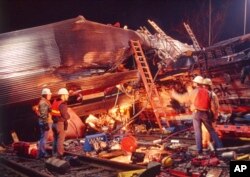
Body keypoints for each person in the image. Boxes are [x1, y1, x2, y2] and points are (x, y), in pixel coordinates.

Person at [171, 75, 223, 154]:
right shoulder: (209, 93)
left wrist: (174, 94)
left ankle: (199, 150)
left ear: (196, 83)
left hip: (196, 113)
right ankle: (220, 147)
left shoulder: (195, 91)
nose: (193, 84)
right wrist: (213, 116)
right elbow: (213, 106)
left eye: (194, 82)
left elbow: (183, 99)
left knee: (198, 132)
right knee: (212, 131)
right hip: (205, 113)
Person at [51, 88, 70, 158]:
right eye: (67, 95)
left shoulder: (55, 101)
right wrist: (69, 117)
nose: (68, 96)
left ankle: (54, 154)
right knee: (60, 140)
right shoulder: (63, 104)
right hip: (60, 124)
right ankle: (60, 155)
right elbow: (65, 115)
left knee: (55, 140)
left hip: (54, 124)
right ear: (64, 95)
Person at [202, 78, 220, 148]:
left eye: (205, 86)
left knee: (209, 132)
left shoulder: (212, 95)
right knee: (204, 132)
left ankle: (211, 147)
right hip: (205, 116)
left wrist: (215, 117)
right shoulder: (206, 94)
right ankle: (205, 145)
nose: (203, 87)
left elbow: (215, 107)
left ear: (208, 86)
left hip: (210, 116)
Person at [37, 88, 52, 159]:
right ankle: (42, 154)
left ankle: (40, 153)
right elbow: (43, 114)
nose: (50, 95)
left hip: (44, 121)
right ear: (46, 95)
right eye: (49, 94)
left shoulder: (45, 101)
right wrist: (46, 123)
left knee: (43, 138)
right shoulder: (43, 102)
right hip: (45, 122)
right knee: (44, 138)